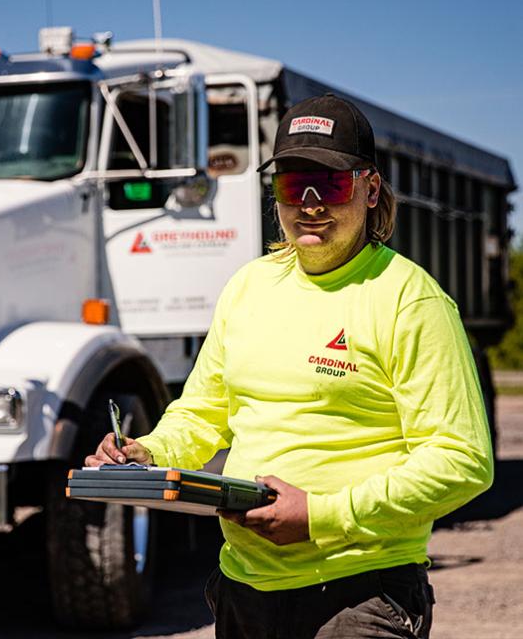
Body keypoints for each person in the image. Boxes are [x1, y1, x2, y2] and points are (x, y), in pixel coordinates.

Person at [86, 94, 494, 638]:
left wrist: (321, 515)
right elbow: (204, 413)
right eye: (290, 184)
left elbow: (462, 461)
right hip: (245, 590)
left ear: (370, 190)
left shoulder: (409, 300)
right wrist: (147, 452)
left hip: (360, 594)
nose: (309, 203)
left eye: (330, 185)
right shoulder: (249, 287)